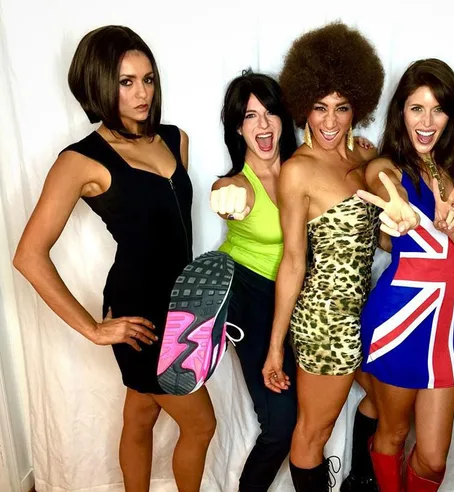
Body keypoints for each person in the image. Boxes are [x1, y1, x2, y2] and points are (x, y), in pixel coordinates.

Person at [13, 26, 219, 492]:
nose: (142, 93)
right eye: (126, 82)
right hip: (139, 312)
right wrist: (93, 327)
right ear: (99, 85)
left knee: (142, 413)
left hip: (186, 307)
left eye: (147, 79)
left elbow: (172, 227)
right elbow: (29, 255)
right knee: (201, 424)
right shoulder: (80, 160)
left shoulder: (175, 139)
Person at [260, 22, 401, 492]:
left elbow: (378, 238)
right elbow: (293, 262)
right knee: (312, 433)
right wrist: (276, 346)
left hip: (364, 313)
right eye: (320, 107)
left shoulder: (359, 159)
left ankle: (360, 479)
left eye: (341, 107)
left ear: (357, 107)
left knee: (385, 402)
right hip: (324, 322)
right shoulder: (297, 170)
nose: (330, 120)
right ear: (304, 106)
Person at [357, 59, 454, 492]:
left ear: (451, 116)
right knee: (393, 434)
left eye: (438, 109)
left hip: (447, 322)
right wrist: (395, 203)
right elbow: (378, 178)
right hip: (398, 318)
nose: (427, 122)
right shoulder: (390, 166)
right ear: (402, 112)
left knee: (432, 459)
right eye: (416, 108)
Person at [209, 70, 298, 492]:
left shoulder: (302, 169)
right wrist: (224, 196)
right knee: (280, 425)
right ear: (237, 128)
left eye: (270, 112)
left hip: (298, 296)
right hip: (250, 296)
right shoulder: (240, 184)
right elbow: (225, 192)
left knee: (312, 414)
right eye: (249, 116)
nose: (262, 125)